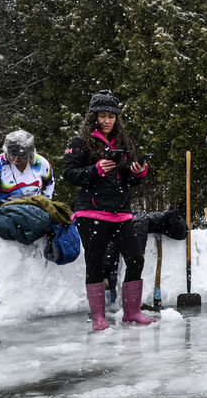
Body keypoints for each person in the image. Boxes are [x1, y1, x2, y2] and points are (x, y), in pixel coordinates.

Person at [63, 90, 155, 331]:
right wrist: (95, 169)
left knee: (135, 259)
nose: (106, 121)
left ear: (116, 118)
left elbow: (130, 179)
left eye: (111, 116)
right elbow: (70, 174)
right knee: (96, 263)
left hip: (121, 212)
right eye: (102, 116)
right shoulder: (79, 143)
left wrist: (138, 173)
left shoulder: (124, 143)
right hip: (91, 212)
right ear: (93, 117)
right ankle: (98, 318)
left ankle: (132, 312)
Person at [0, 130, 54, 220]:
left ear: (30, 154)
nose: (16, 158)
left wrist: (45, 202)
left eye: (21, 156)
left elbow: (50, 183)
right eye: (12, 154)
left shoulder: (41, 163)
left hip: (31, 208)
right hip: (0, 207)